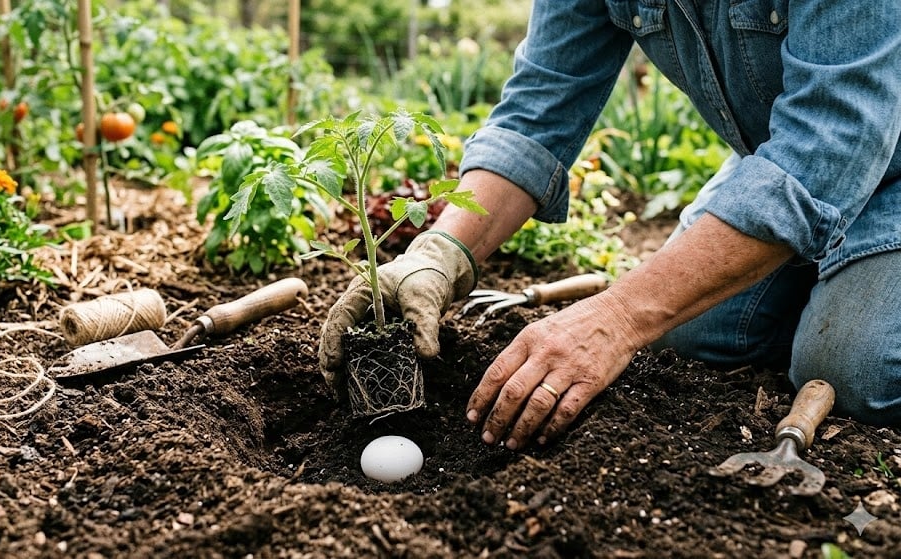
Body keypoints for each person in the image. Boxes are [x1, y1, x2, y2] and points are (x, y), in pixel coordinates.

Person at [319, 0, 901, 449]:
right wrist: (438, 253)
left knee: (851, 371)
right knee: (691, 334)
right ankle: (828, 268)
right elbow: (539, 107)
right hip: (776, 159)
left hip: (870, 158)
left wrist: (618, 317)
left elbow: (834, 139)